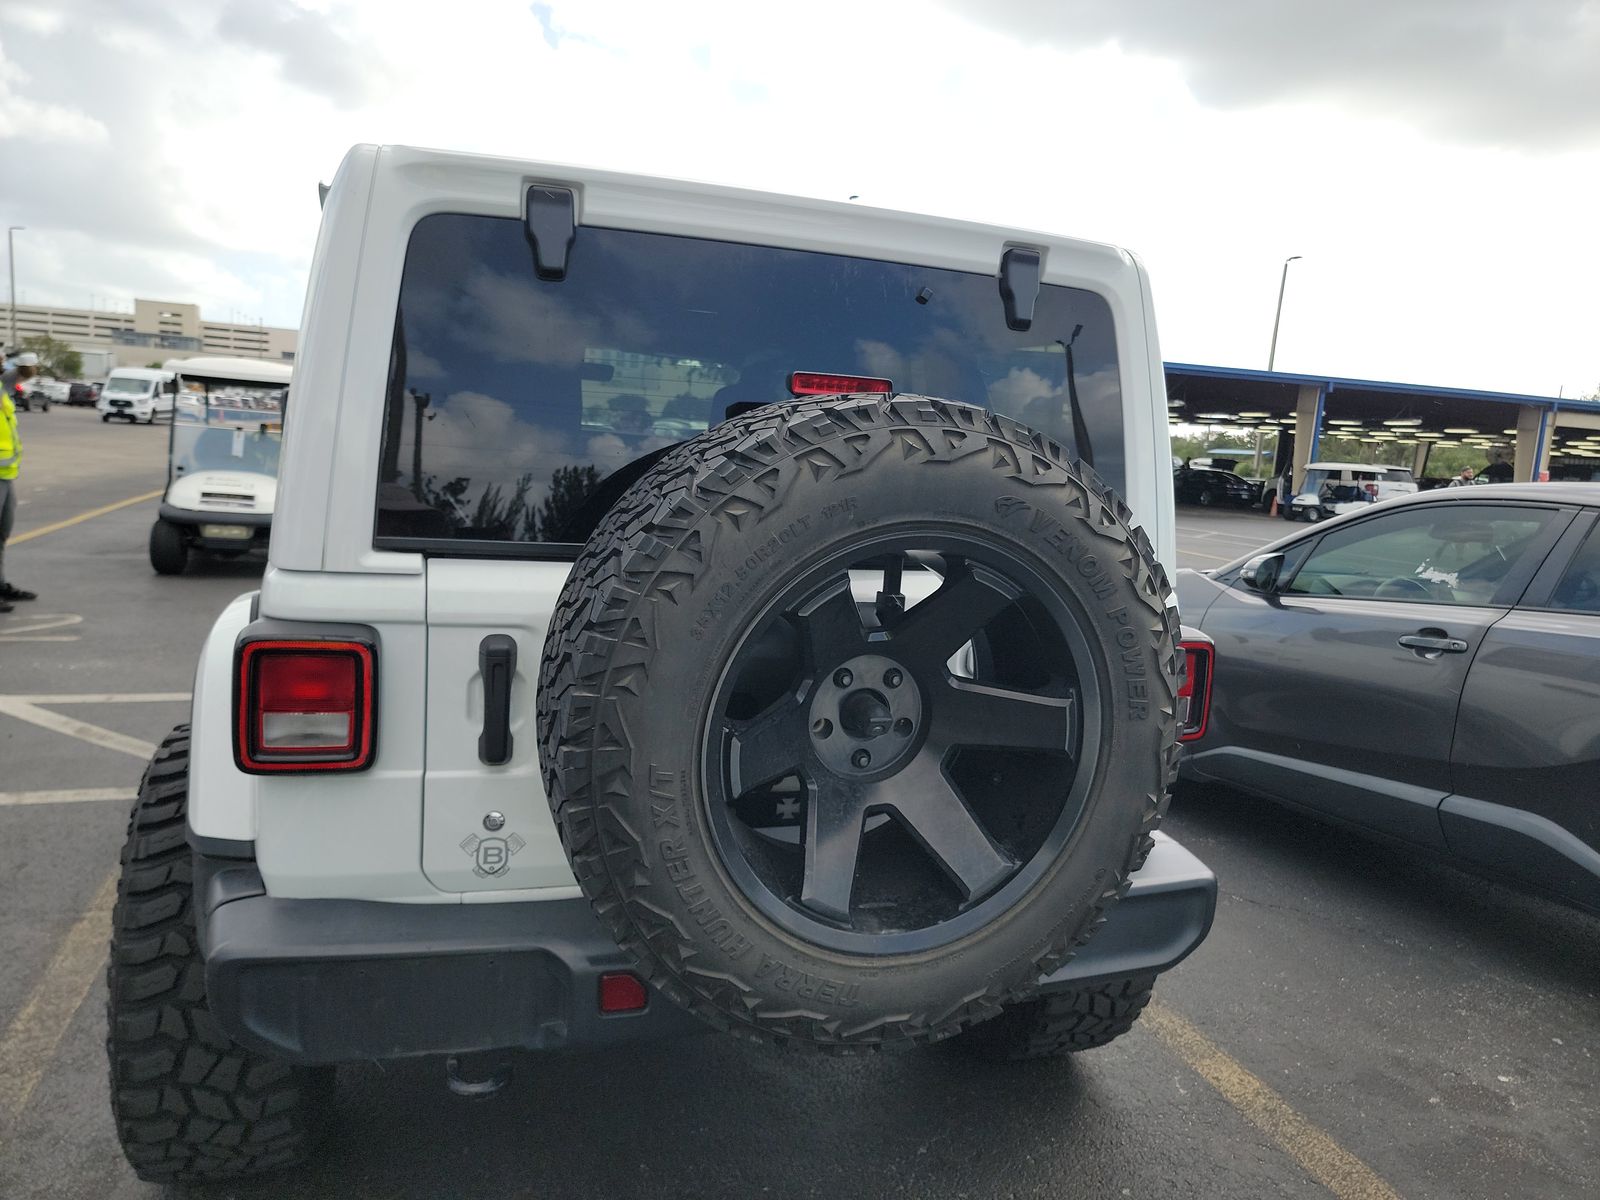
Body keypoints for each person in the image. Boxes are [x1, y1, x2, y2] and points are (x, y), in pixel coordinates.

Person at [0, 350, 39, 613]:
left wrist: (28, 362)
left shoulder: (1, 384)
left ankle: (0, 584)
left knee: (3, 533)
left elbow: (24, 373)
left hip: (5, 475)